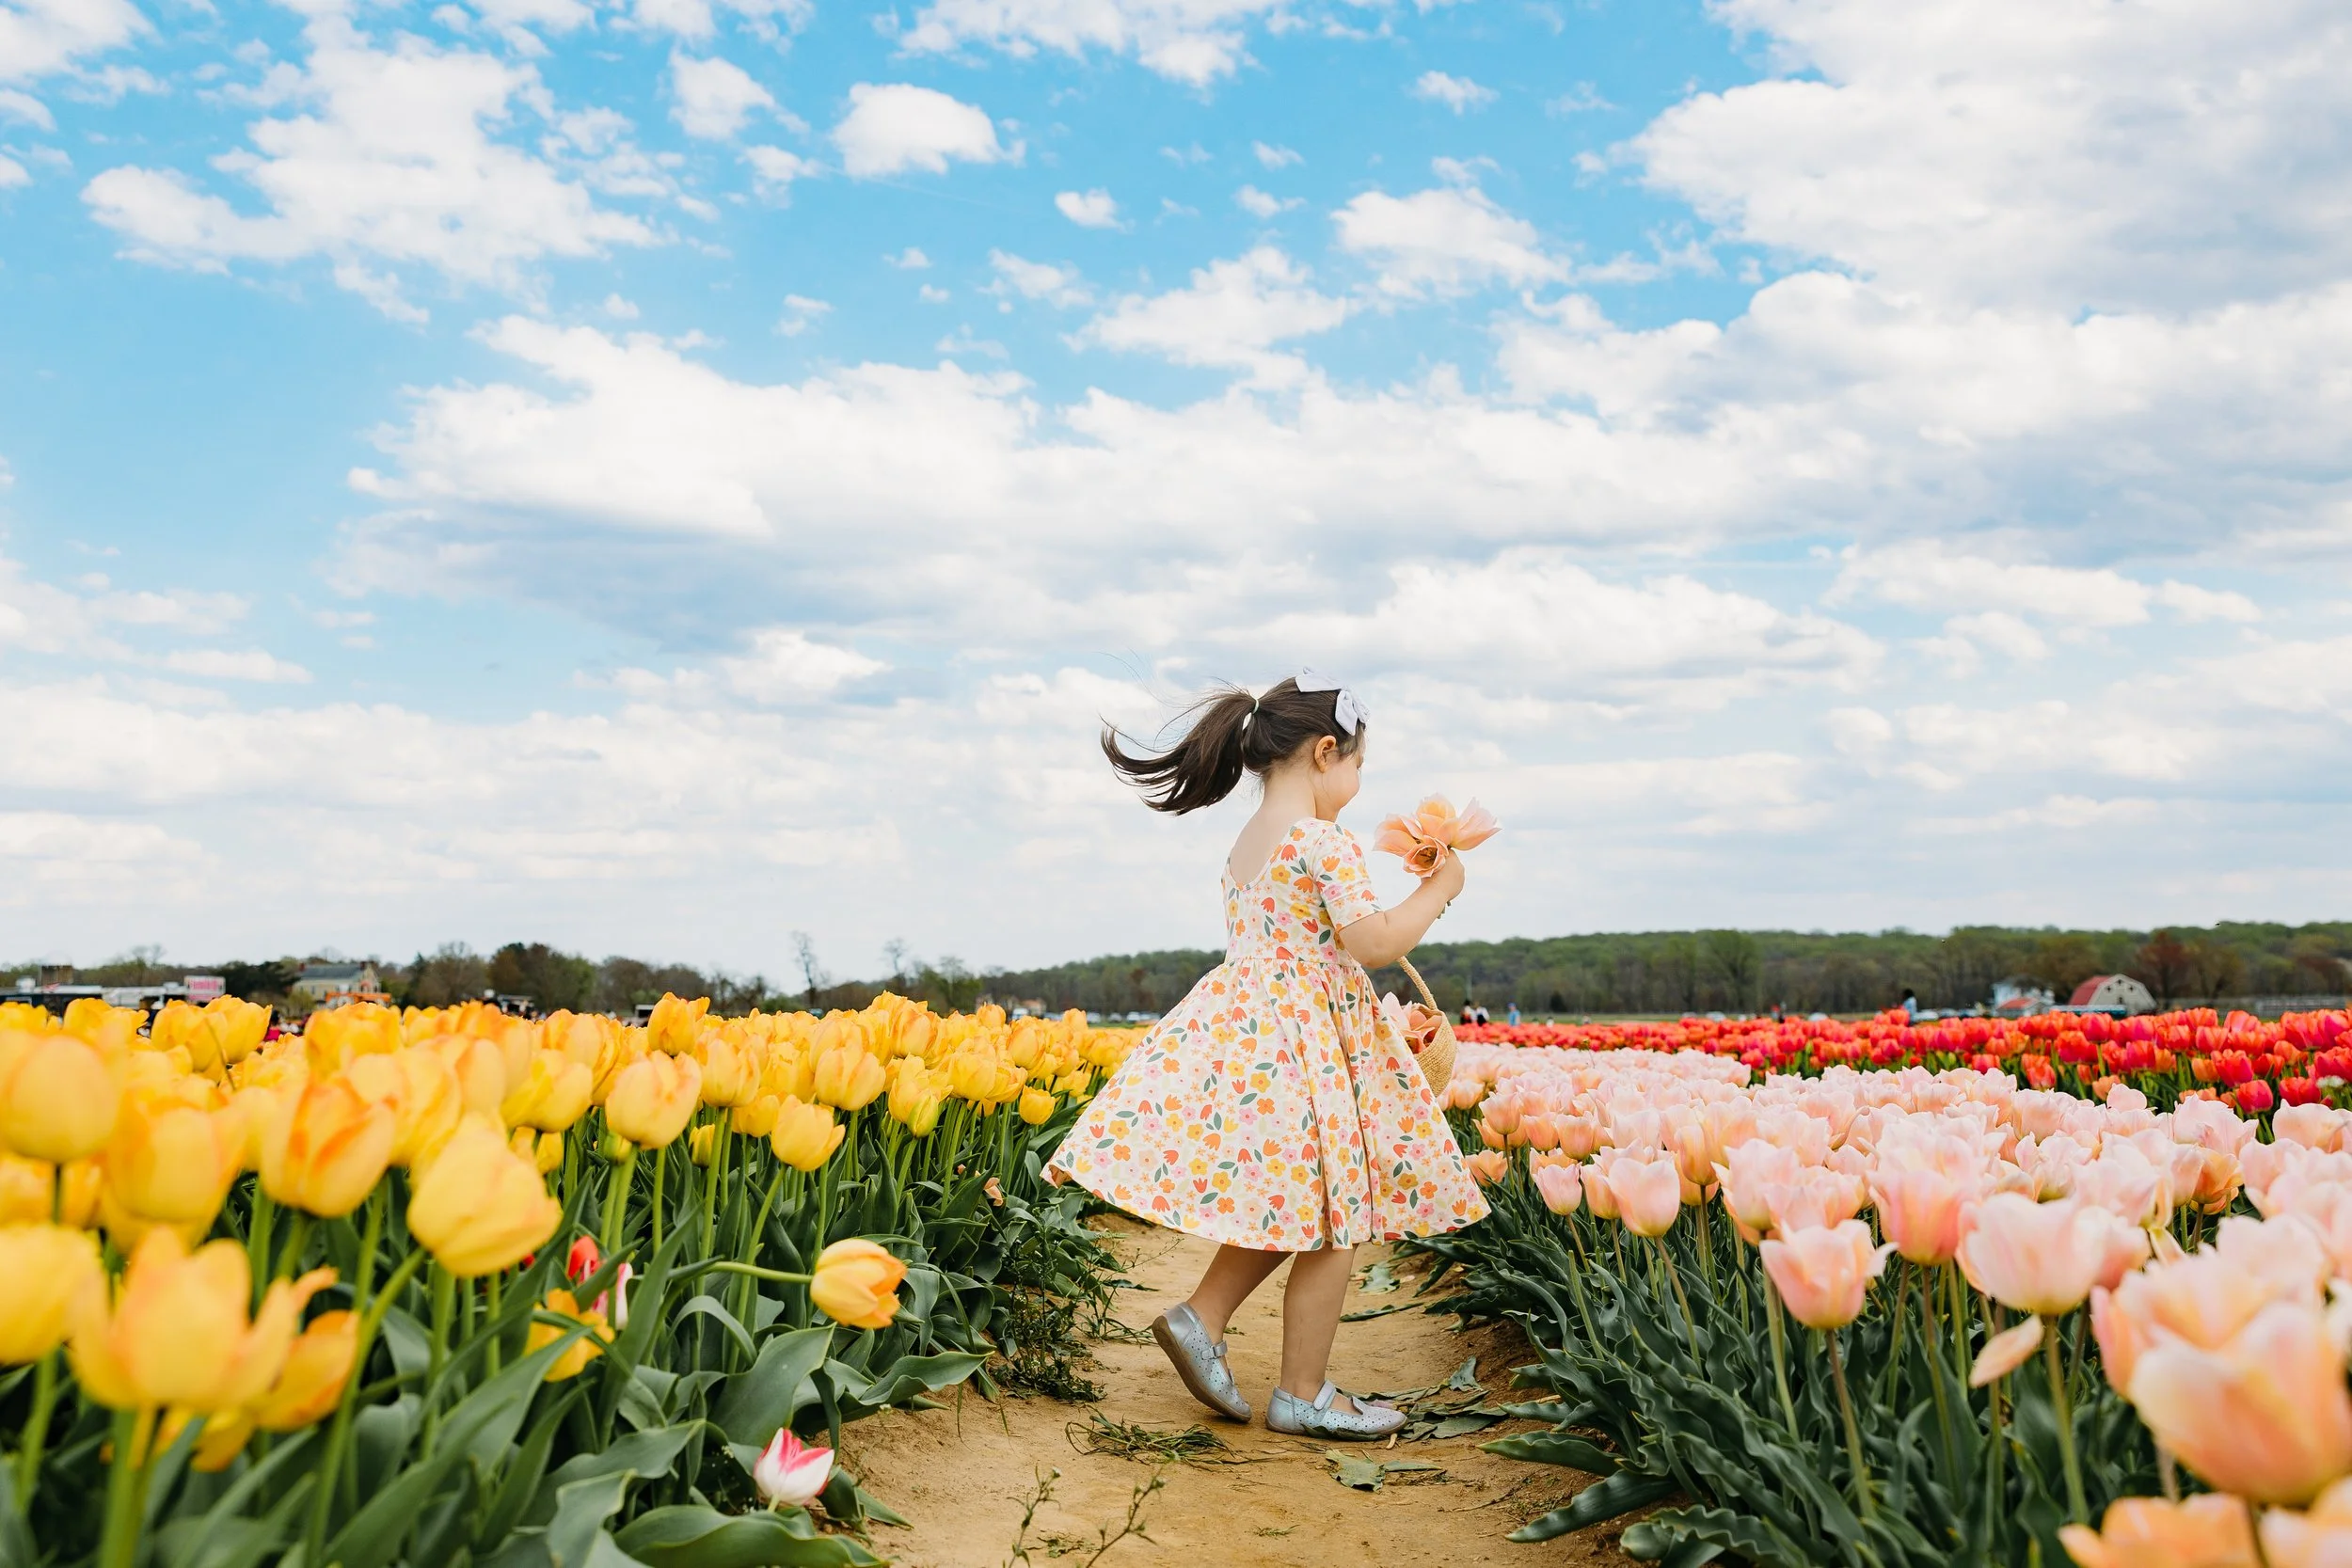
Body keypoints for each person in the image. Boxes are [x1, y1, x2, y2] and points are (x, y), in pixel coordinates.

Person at [1050, 673, 1486, 1441]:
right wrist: (1442, 888)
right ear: (1326, 752)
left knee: (1302, 1204)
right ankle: (1304, 1392)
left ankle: (1202, 1317)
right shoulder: (1321, 839)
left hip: (1259, 1043)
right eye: (1356, 766)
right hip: (1311, 1047)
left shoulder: (1249, 842)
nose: (1356, 784)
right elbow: (1374, 941)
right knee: (1336, 1217)